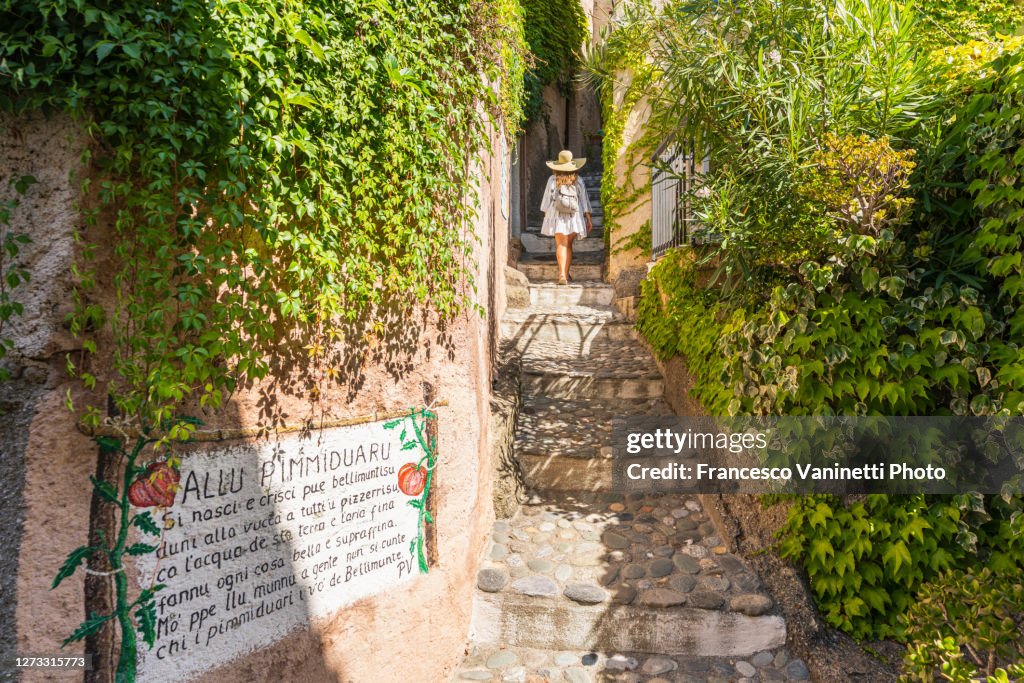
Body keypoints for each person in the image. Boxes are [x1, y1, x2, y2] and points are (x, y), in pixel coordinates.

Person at [539, 150, 593, 285]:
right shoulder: (578, 179)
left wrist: (546, 215)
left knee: (561, 244)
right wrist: (588, 218)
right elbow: (584, 199)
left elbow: (547, 199)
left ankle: (562, 274)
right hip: (574, 216)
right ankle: (565, 274)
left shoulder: (553, 179)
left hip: (556, 215)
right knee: (568, 244)